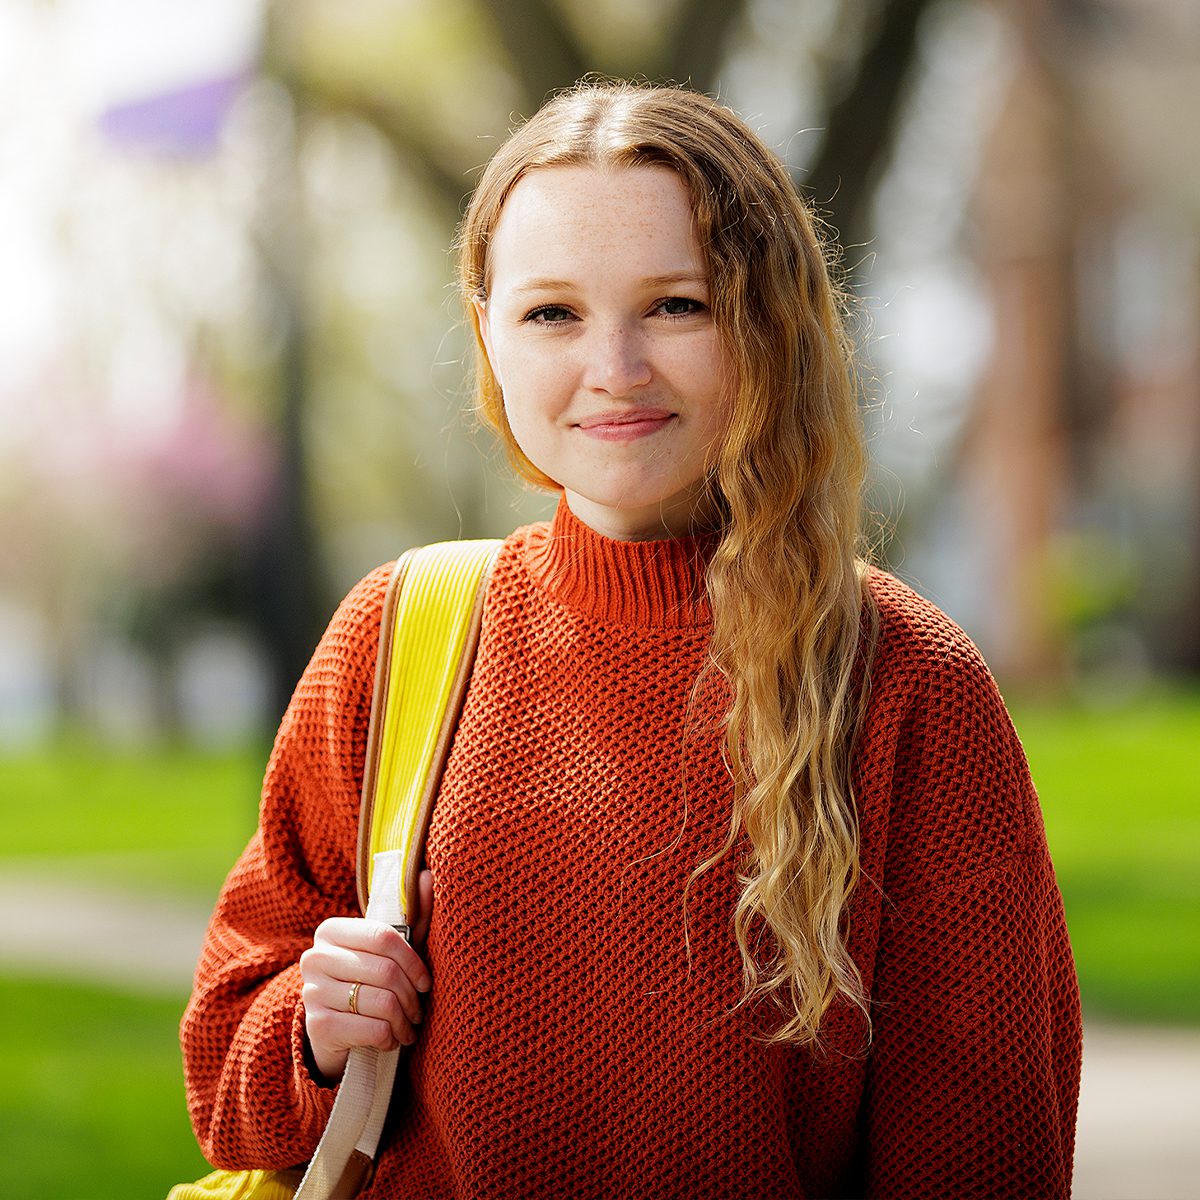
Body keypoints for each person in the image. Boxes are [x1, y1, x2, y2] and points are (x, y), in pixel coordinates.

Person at [180, 80, 1082, 1198]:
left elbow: (983, 1159)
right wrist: (314, 1027)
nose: (614, 368)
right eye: (552, 313)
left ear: (769, 322)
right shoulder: (401, 636)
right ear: (489, 336)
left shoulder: (908, 682)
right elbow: (224, 1081)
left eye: (677, 305)